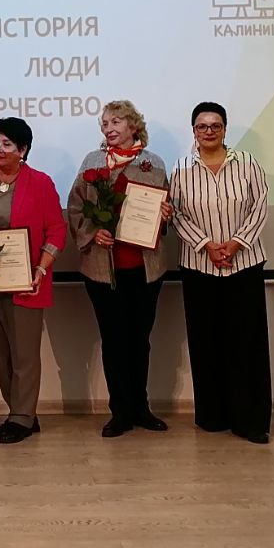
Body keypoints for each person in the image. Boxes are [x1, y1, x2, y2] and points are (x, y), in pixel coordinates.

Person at [67, 101, 173, 437]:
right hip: (102, 270)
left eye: (115, 122)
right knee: (114, 341)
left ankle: (141, 408)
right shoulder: (92, 162)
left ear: (133, 125)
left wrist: (166, 214)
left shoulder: (154, 163)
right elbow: (75, 207)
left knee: (139, 341)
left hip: (145, 269)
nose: (108, 128)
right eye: (104, 123)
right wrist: (92, 232)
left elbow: (164, 210)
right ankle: (120, 412)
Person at [168, 102, 272, 444]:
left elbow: (260, 205)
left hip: (244, 265)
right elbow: (176, 213)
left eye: (215, 125)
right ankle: (213, 417)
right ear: (193, 131)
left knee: (247, 345)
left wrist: (236, 243)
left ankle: (251, 421)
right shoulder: (181, 169)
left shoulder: (247, 163)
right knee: (206, 343)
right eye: (202, 126)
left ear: (225, 129)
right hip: (199, 267)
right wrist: (207, 245)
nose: (209, 131)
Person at [0, 117, 66, 444]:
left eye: (7, 144)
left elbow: (56, 231)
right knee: (0, 353)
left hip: (25, 283)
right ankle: (20, 412)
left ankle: (22, 418)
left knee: (24, 356)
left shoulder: (41, 183)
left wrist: (41, 269)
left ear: (23, 149)